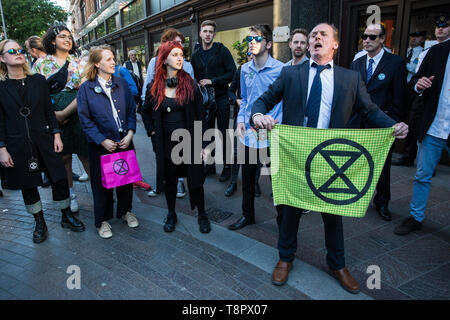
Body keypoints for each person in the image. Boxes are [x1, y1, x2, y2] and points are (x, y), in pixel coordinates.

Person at [251, 23, 408, 293]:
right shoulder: (290, 74)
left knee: (333, 213)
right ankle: (285, 258)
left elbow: (370, 110)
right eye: (313, 35)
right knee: (289, 211)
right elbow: (263, 100)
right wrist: (257, 116)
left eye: (323, 34)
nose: (316, 38)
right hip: (295, 157)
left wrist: (393, 125)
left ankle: (337, 264)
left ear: (335, 44)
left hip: (331, 157)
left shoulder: (350, 79)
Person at [0, 39, 85, 243]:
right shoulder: (1, 87)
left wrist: (56, 134)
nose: (18, 53)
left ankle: (66, 215)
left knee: (58, 177)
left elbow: (48, 110)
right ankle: (39, 222)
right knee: (28, 184)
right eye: (12, 51)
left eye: (20, 50)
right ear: (2, 58)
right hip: (16, 142)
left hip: (45, 137)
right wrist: (2, 148)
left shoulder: (37, 80)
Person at [141, 41, 211, 234]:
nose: (179, 58)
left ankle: (202, 213)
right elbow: (145, 111)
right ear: (164, 59)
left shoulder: (190, 84)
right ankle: (171, 213)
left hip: (189, 141)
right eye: (174, 54)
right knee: (170, 181)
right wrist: (151, 131)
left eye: (181, 54)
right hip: (166, 144)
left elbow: (200, 116)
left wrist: (204, 144)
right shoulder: (154, 87)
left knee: (195, 181)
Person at [77, 45, 139, 239]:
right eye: (108, 59)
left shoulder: (120, 83)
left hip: (124, 140)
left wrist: (130, 132)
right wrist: (101, 140)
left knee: (125, 180)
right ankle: (102, 220)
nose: (113, 62)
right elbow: (85, 120)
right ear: (97, 63)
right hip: (101, 145)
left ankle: (125, 211)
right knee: (101, 183)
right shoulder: (86, 88)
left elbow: (131, 110)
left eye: (113, 58)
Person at [227, 25, 284, 231]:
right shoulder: (244, 69)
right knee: (248, 179)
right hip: (250, 133)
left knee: (277, 181)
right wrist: (241, 118)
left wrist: (278, 122)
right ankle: (247, 215)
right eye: (249, 39)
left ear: (268, 43)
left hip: (274, 132)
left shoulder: (281, 69)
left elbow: (285, 101)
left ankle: (283, 222)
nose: (252, 42)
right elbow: (246, 99)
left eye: (257, 38)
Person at [351, 24, 407, 221]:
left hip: (383, 124)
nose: (366, 40)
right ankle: (358, 196)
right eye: (364, 36)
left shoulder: (396, 63)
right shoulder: (357, 63)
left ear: (383, 39)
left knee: (382, 166)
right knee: (357, 162)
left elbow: (400, 97)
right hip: (359, 123)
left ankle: (382, 202)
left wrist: (395, 124)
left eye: (372, 37)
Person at [394, 39, 449, 236]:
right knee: (422, 176)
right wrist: (419, 85)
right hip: (433, 127)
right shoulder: (437, 51)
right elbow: (416, 82)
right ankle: (415, 217)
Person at [33, 24, 90, 214]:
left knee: (86, 155)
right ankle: (71, 194)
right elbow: (37, 95)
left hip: (78, 112)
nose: (68, 39)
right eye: (62, 36)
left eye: (69, 37)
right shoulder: (41, 64)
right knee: (64, 157)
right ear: (52, 40)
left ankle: (100, 191)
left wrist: (64, 113)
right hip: (53, 116)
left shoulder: (80, 63)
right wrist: (53, 117)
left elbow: (84, 92)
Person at [141, 28, 193, 199]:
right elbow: (148, 84)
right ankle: (160, 183)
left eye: (180, 44)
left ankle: (179, 183)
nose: (178, 47)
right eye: (174, 43)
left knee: (180, 155)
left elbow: (192, 95)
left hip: (180, 120)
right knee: (160, 154)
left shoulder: (187, 64)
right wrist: (150, 124)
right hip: (160, 117)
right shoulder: (155, 62)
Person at [393, 14, 450, 167]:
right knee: (413, 124)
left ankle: (430, 163)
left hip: (436, 101)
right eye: (438, 26)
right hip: (417, 93)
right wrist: (418, 84)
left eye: (444, 27)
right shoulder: (429, 51)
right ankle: (409, 156)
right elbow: (417, 76)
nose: (440, 29)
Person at [191, 20, 237, 181]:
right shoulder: (195, 55)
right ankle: (209, 165)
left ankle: (227, 167)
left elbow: (232, 73)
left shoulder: (222, 51)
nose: (208, 34)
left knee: (224, 134)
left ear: (214, 34)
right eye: (205, 31)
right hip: (205, 102)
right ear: (200, 33)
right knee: (207, 134)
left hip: (221, 99)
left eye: (211, 31)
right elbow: (194, 76)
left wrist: (213, 81)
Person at [225, 52, 262, 197]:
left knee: (257, 152)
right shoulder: (242, 70)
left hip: (260, 120)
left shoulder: (266, 71)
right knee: (236, 151)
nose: (251, 57)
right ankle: (233, 182)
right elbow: (230, 91)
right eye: (249, 54)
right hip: (241, 118)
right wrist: (236, 100)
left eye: (254, 54)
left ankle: (255, 183)